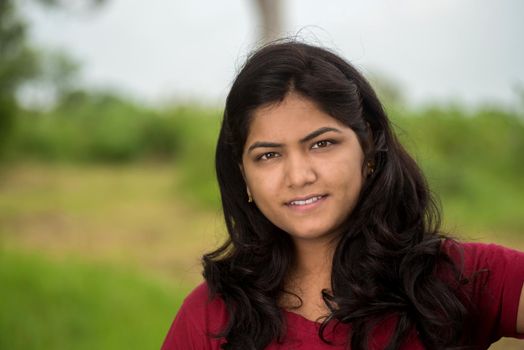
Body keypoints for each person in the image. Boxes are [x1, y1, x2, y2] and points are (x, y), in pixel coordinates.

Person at [162, 40, 524, 349]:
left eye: (322, 144)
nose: (299, 176)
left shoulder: (454, 278)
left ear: (367, 146)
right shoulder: (210, 318)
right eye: (268, 155)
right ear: (244, 176)